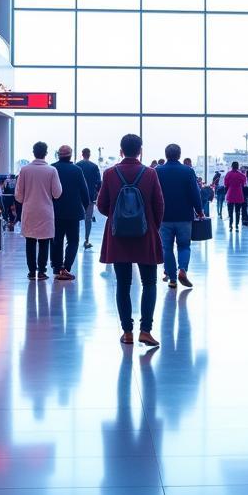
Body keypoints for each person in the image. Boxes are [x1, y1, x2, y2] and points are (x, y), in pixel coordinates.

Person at [97, 133, 164, 346]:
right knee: (149, 282)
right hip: (145, 236)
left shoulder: (109, 174)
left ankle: (127, 332)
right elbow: (159, 205)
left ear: (120, 151)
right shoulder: (150, 174)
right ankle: (146, 330)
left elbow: (101, 205)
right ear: (140, 151)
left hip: (118, 237)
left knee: (123, 284)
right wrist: (151, 225)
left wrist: (119, 218)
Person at [157, 143, 202, 289]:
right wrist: (199, 210)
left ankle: (172, 279)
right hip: (184, 216)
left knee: (167, 248)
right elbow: (195, 193)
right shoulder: (188, 171)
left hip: (164, 217)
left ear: (166, 155)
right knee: (184, 246)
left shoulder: (158, 171)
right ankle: (182, 269)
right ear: (179, 155)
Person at [15, 141, 62, 280]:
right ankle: (42, 271)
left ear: (33, 153)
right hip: (45, 211)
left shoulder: (24, 170)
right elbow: (57, 193)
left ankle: (31, 271)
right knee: (44, 241)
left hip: (29, 210)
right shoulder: (52, 170)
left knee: (30, 241)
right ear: (46, 153)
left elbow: (18, 195)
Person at [50, 145, 89, 281]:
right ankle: (66, 268)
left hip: (55, 211)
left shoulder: (52, 168)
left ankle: (56, 267)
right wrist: (85, 206)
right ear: (71, 155)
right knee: (73, 241)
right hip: (73, 212)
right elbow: (84, 191)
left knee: (56, 240)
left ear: (58, 155)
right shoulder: (77, 170)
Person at [77, 147, 102, 250]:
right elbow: (99, 183)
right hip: (90, 197)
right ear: (89, 154)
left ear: (82, 154)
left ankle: (75, 239)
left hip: (78, 197)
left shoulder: (77, 166)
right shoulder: (94, 166)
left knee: (76, 219)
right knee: (88, 219)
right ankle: (87, 240)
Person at [223, 161, 246, 232]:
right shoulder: (241, 175)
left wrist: (225, 193)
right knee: (238, 211)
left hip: (230, 194)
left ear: (232, 166)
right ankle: (236, 225)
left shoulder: (228, 174)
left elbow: (226, 185)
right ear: (238, 166)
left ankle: (230, 225)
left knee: (230, 211)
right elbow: (244, 184)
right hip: (239, 194)